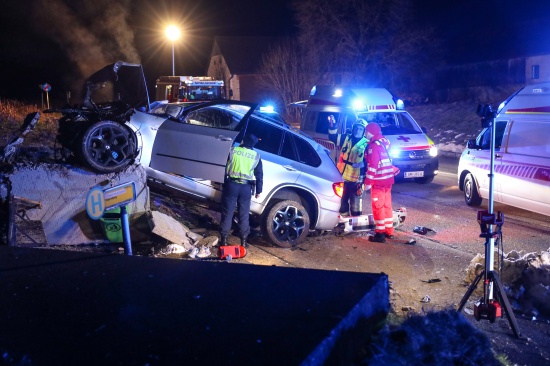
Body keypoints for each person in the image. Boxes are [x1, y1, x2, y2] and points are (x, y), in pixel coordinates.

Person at [220, 133, 263, 248]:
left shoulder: (233, 150)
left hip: (231, 185)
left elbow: (224, 167)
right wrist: (259, 190)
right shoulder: (256, 156)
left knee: (227, 213)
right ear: (253, 144)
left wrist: (223, 182)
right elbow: (259, 175)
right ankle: (243, 242)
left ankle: (223, 240)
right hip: (245, 188)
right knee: (244, 215)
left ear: (243, 141)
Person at [328, 116, 368, 216]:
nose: (358, 130)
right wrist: (332, 125)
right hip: (342, 177)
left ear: (364, 131)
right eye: (356, 128)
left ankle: (356, 223)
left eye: (361, 129)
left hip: (356, 179)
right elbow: (332, 137)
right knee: (342, 200)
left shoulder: (367, 144)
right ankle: (344, 222)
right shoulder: (346, 138)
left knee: (356, 202)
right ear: (353, 128)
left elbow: (370, 160)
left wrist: (363, 165)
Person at [363, 122, 395, 243]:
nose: (365, 133)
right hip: (388, 179)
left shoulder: (373, 146)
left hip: (379, 180)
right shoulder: (385, 142)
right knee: (387, 205)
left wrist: (367, 182)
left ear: (371, 132)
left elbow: (373, 166)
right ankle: (389, 231)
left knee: (378, 207)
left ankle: (380, 234)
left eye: (366, 131)